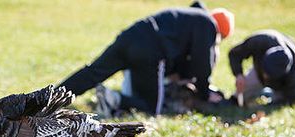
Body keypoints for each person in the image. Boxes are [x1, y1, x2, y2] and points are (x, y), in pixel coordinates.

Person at [58, 1, 234, 117]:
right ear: (220, 33)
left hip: (131, 35)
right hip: (150, 51)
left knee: (93, 72)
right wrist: (205, 93)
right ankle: (114, 98)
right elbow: (201, 65)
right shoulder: (208, 25)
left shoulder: (191, 17)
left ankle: (51, 98)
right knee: (151, 109)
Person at [228, 29, 295, 106]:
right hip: (258, 71)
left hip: (280, 85)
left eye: (269, 75)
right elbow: (235, 54)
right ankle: (263, 91)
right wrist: (239, 74)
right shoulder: (260, 41)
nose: (265, 76)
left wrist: (270, 106)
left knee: (279, 101)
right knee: (237, 98)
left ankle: (270, 92)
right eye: (265, 72)